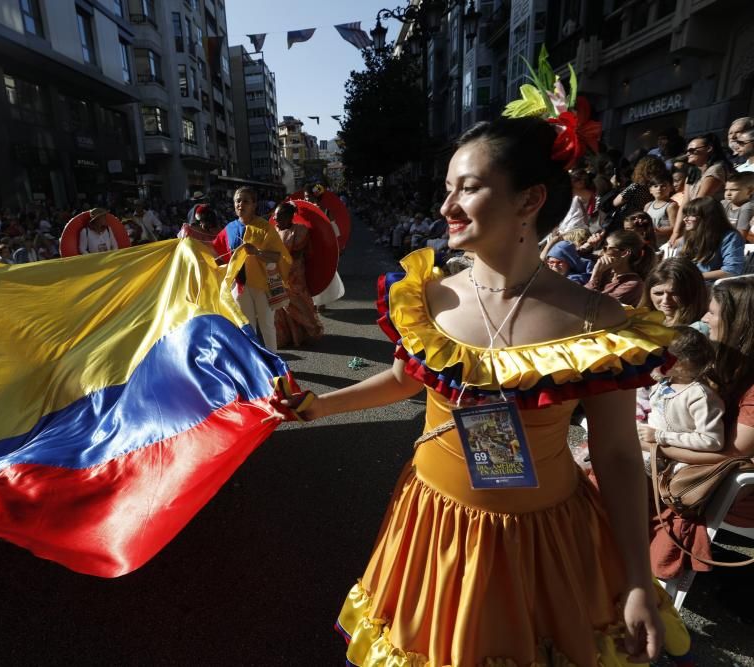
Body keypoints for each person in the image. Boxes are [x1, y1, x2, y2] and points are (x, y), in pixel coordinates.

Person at [272, 115, 685, 663]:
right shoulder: (427, 296)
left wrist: (637, 577)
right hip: (435, 524)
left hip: (547, 540)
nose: (447, 207)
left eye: (467, 188)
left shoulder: (597, 320)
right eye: (448, 189)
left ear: (530, 198)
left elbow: (615, 454)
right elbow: (403, 380)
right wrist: (320, 405)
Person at [645, 278, 754, 591]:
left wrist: (657, 443)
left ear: (740, 323)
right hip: (695, 464)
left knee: (618, 474)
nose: (704, 319)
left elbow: (731, 453)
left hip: (730, 487)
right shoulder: (721, 363)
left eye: (712, 313)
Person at [640, 326, 724, 478]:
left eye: (659, 354)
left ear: (682, 362)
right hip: (652, 452)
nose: (651, 358)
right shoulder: (662, 383)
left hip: (677, 464)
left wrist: (660, 436)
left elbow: (712, 441)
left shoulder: (699, 396)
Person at [213, 187, 290, 351]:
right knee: (246, 328)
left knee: (267, 326)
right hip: (239, 285)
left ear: (254, 205)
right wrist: (191, 236)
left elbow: (278, 257)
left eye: (245, 201)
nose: (240, 204)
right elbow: (215, 250)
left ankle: (273, 365)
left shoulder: (264, 227)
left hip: (264, 285)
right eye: (237, 201)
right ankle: (254, 366)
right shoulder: (229, 229)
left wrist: (257, 252)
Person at [272, 202, 323, 348]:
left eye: (279, 217)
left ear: (289, 217)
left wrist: (276, 256)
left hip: (294, 275)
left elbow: (297, 253)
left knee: (297, 304)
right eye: (275, 217)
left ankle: (301, 335)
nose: (276, 220)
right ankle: (284, 337)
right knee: (279, 307)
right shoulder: (272, 231)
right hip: (277, 274)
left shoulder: (300, 231)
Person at [669, 134, 732, 246]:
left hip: (711, 225)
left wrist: (685, 235)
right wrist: (676, 232)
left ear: (709, 149)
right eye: (687, 150)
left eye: (692, 150)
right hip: (695, 222)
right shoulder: (692, 173)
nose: (688, 153)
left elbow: (699, 203)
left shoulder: (716, 170)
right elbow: (685, 203)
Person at [678, 196, 746, 282]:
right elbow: (679, 263)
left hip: (714, 286)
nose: (685, 219)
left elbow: (732, 270)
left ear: (707, 217)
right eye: (685, 215)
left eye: (691, 215)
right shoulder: (689, 235)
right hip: (689, 283)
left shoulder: (730, 237)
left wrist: (695, 277)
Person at [586, 229, 654, 306]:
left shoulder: (632, 284)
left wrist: (596, 276)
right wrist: (588, 245)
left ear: (624, 253)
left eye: (606, 248)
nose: (601, 252)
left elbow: (592, 306)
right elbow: (575, 259)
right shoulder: (607, 271)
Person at [638, 257, 708, 329]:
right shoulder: (640, 321)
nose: (665, 300)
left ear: (693, 292)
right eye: (658, 293)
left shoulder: (699, 329)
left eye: (675, 293)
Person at [645, 174, 678, 245]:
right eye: (655, 186)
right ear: (650, 190)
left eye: (663, 186)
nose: (659, 188)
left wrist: (656, 230)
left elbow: (675, 227)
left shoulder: (671, 206)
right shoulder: (648, 205)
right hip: (650, 243)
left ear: (671, 188)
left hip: (664, 244)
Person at [721, 171, 754, 241]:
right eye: (726, 190)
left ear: (750, 191)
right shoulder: (724, 203)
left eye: (734, 190)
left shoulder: (747, 207)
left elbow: (740, 237)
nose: (728, 193)